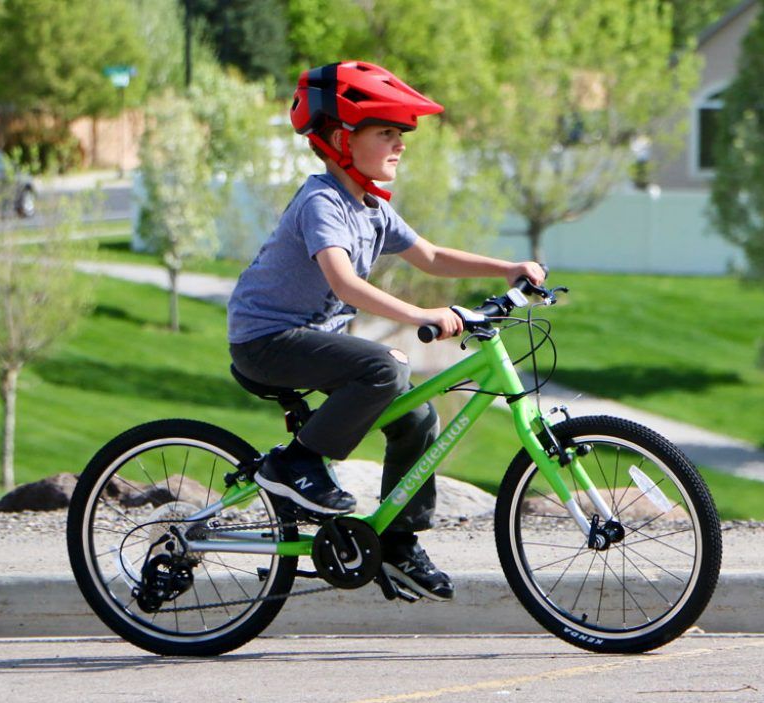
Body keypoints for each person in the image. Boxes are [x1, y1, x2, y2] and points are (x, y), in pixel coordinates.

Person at [227, 61, 544, 601]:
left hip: (308, 339)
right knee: (384, 366)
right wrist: (421, 317)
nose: (399, 145)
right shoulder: (323, 201)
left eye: (401, 135)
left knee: (417, 412)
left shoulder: (370, 206)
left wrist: (505, 267)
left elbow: (433, 256)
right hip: (266, 340)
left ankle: (396, 543)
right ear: (339, 138)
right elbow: (344, 283)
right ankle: (295, 463)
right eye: (386, 133)